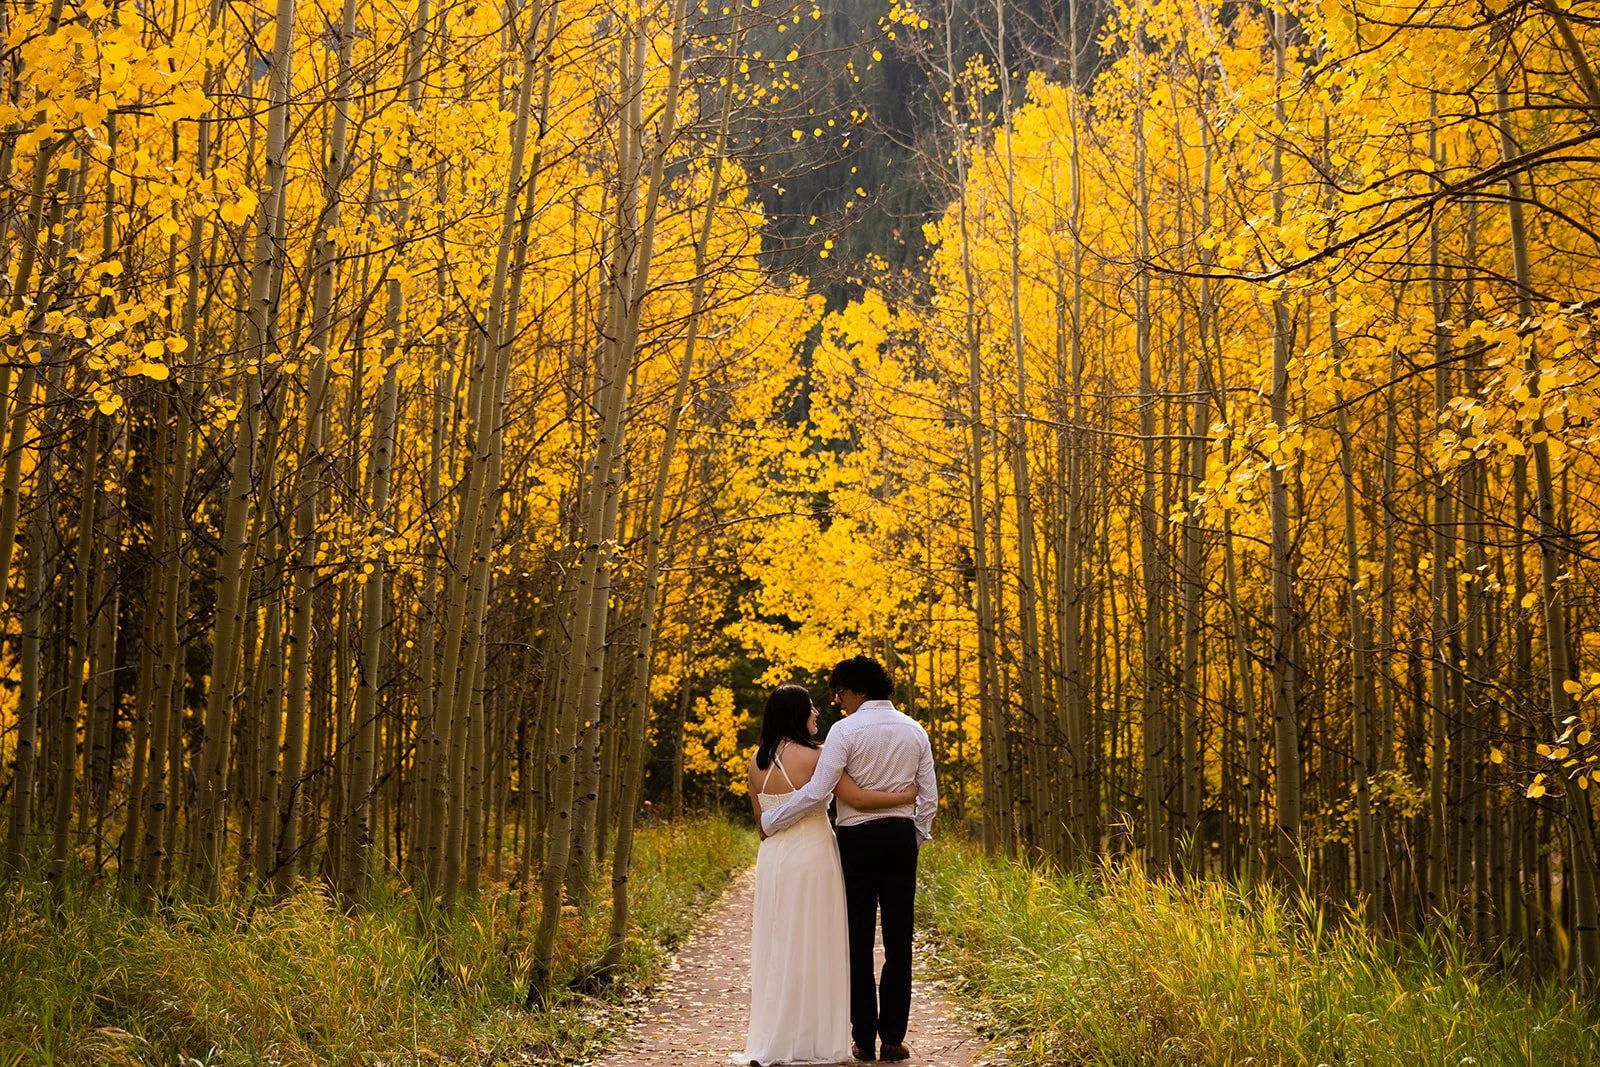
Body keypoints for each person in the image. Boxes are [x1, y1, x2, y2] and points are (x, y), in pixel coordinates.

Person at [758, 657, 938, 1064]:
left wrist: (773, 818)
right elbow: (929, 796)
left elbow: (819, 791)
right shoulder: (915, 730)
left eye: (839, 693)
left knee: (856, 938)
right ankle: (893, 1038)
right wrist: (914, 835)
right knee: (898, 939)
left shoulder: (846, 730)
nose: (837, 702)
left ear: (858, 691)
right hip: (899, 838)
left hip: (856, 840)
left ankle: (863, 1040)